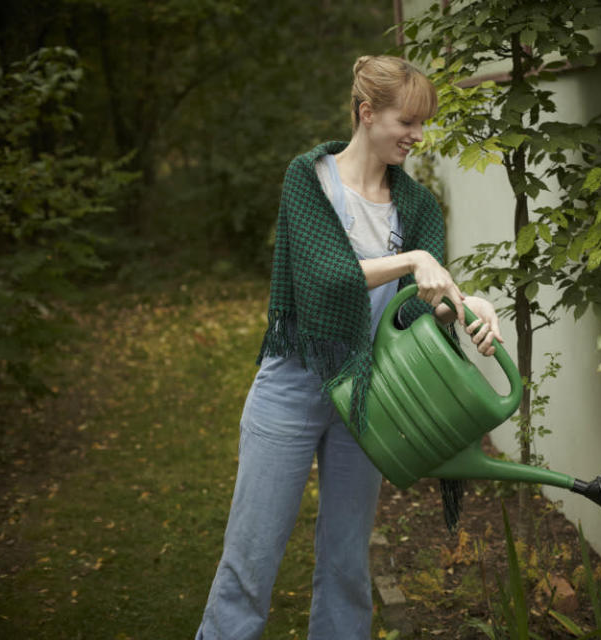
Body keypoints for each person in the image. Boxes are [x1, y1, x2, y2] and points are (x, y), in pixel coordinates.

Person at [194, 54, 503, 640]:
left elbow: (417, 307)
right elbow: (328, 277)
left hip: (368, 393)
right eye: (406, 122)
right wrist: (416, 260)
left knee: (346, 565)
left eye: (422, 124)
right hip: (293, 383)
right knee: (250, 560)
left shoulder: (415, 206)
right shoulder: (308, 178)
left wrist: (466, 308)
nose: (418, 136)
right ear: (366, 113)